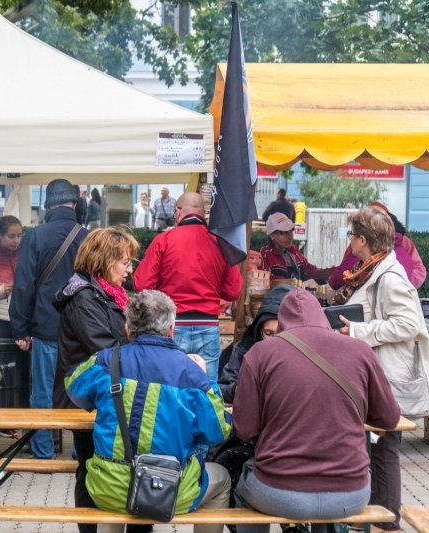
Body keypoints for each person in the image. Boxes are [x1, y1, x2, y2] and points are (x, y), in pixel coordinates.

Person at [232, 288, 401, 533]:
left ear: (282, 320)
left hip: (277, 492)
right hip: (350, 494)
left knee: (244, 488)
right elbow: (390, 418)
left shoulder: (259, 353)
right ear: (322, 316)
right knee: (325, 505)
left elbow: (245, 430)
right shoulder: (360, 350)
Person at [65, 290, 232, 533]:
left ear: (127, 329)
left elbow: (73, 386)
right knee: (222, 478)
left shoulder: (106, 362)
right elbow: (219, 431)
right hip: (169, 489)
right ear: (172, 330)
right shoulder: (193, 375)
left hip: (108, 487)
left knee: (112, 491)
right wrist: (207, 378)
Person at [334, 206, 429, 533]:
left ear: (363, 240)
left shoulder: (388, 276)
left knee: (385, 448)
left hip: (388, 377)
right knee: (377, 446)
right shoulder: (375, 269)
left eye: (351, 236)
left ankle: (386, 523)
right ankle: (377, 519)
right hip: (379, 374)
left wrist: (360, 331)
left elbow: (408, 324)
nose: (350, 242)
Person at [53, 227, 141, 533]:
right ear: (104, 260)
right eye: (125, 262)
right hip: (86, 399)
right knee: (90, 467)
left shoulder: (107, 294)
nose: (130, 270)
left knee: (113, 466)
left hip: (108, 394)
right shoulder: (83, 298)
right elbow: (105, 349)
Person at [10, 178, 88, 459]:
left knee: (42, 392)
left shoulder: (36, 236)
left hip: (45, 327)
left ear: (48, 206)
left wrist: (20, 328)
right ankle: (81, 452)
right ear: (75, 204)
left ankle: (43, 450)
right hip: (81, 330)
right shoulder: (88, 237)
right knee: (80, 390)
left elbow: (23, 285)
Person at [133, 192, 243, 380]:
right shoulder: (221, 243)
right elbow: (233, 291)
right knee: (207, 389)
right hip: (208, 325)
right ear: (204, 213)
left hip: (172, 324)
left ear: (177, 212)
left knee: (170, 386)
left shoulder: (163, 240)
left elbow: (141, 284)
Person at [214, 285, 294, 524]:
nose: (273, 340)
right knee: (224, 465)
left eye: (280, 333)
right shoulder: (245, 348)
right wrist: (240, 390)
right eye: (267, 334)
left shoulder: (305, 353)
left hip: (291, 439)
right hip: (253, 438)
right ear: (259, 329)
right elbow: (223, 386)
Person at [328, 203, 426, 290]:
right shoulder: (361, 247)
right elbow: (343, 270)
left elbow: (418, 271)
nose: (350, 238)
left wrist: (407, 283)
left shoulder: (391, 277)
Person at [260, 213, 334, 282]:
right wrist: (292, 283)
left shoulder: (294, 250)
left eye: (291, 231)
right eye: (284, 232)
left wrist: (329, 272)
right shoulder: (265, 254)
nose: (290, 236)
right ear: (272, 235)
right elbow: (266, 281)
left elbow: (309, 271)